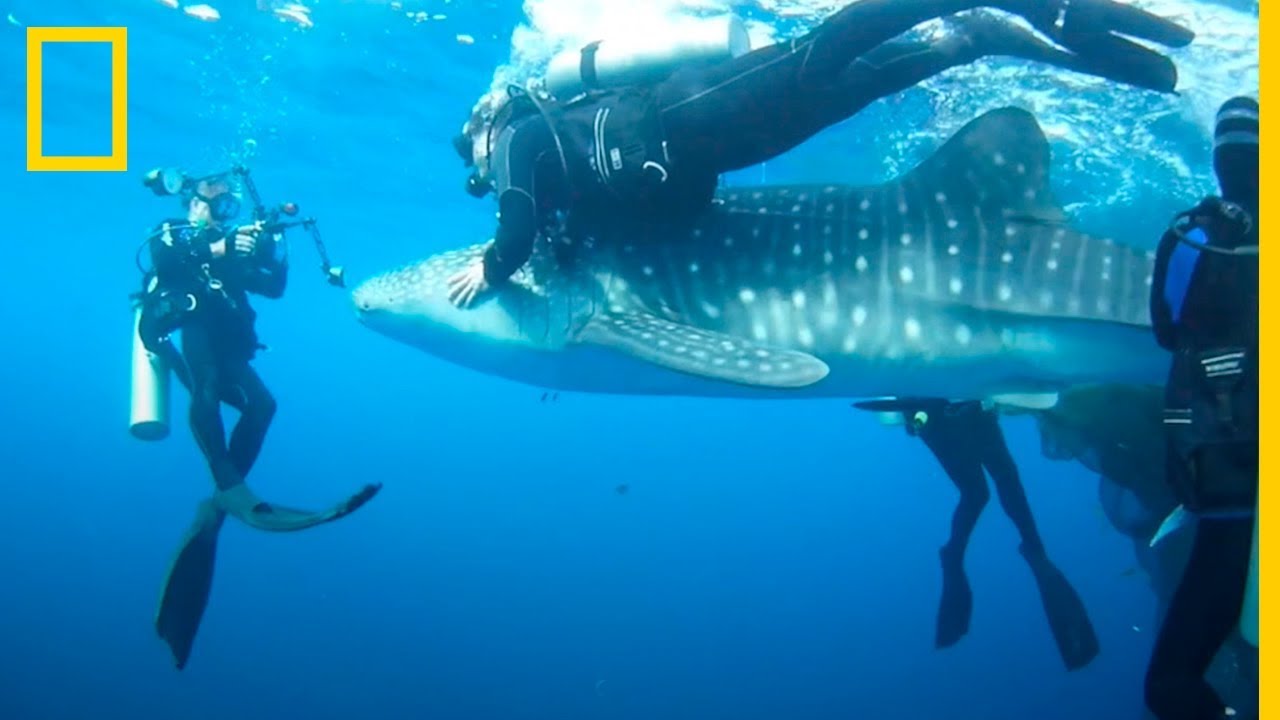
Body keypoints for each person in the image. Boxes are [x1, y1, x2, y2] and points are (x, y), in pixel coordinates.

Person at [445, 0, 1195, 307]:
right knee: (878, 77)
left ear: (484, 132)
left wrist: (489, 267)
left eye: (474, 162)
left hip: (690, 110)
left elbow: (511, 224)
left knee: (823, 54)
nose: (480, 173)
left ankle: (1026, 7)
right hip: (722, 142)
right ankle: (998, 36)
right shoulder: (557, 174)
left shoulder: (517, 139)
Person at [135, 171, 380, 669]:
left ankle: (222, 503)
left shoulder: (232, 245)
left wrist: (271, 251)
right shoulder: (168, 231)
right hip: (189, 332)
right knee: (203, 390)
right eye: (215, 204)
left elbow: (272, 290)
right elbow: (167, 258)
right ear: (192, 201)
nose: (223, 212)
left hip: (228, 345)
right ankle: (229, 485)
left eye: (230, 207)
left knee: (264, 406)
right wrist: (225, 246)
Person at [1143, 95, 1259, 720]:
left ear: (1217, 161)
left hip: (1224, 475)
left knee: (1171, 682)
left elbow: (1165, 331)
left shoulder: (1187, 235)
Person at [851, 398, 1099, 670]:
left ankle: (1027, 547)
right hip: (937, 413)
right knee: (979, 491)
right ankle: (959, 554)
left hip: (968, 406)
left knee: (1002, 482)